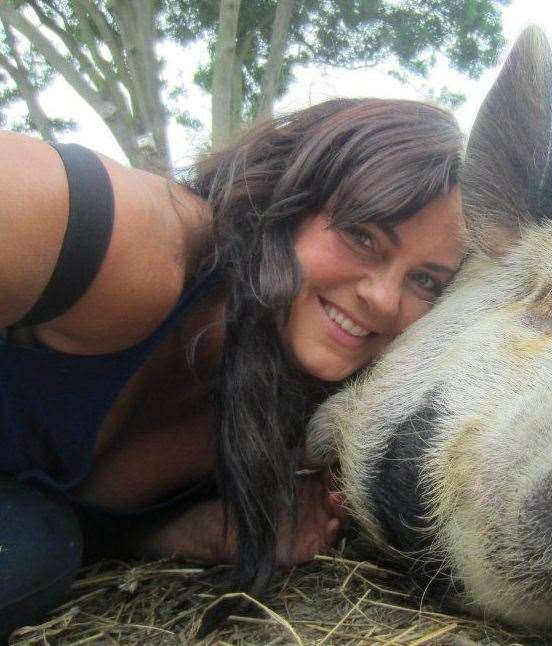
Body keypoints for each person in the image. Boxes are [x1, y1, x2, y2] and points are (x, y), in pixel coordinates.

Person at [0, 98, 465, 639]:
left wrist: (191, 533)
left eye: (426, 282)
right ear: (291, 196)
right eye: (362, 236)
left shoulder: (312, 411)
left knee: (38, 548)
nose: (385, 300)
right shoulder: (127, 242)